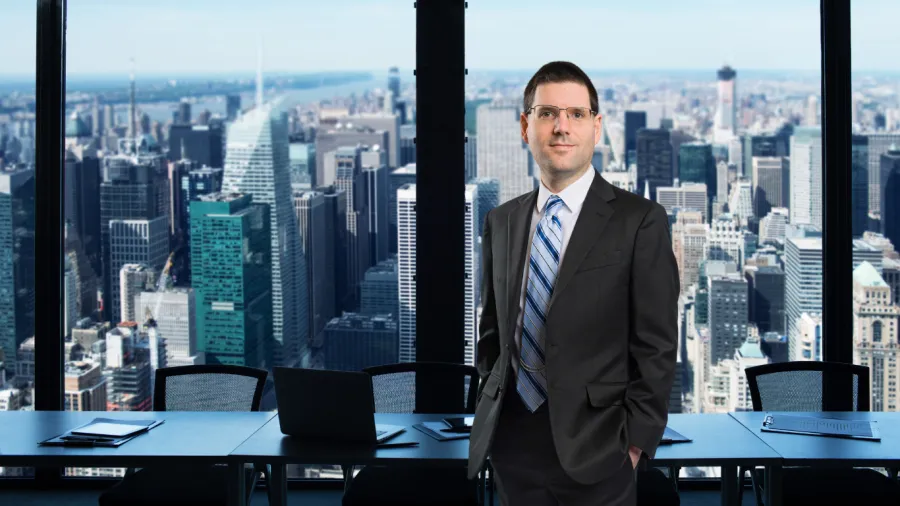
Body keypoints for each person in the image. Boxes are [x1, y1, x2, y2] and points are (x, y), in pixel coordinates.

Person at [467, 61, 680, 506]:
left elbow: (656, 345)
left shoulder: (638, 221)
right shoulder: (501, 221)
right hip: (512, 445)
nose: (562, 127)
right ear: (526, 127)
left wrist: (634, 445)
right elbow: (493, 334)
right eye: (547, 114)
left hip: (601, 451)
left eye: (576, 114)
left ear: (596, 127)